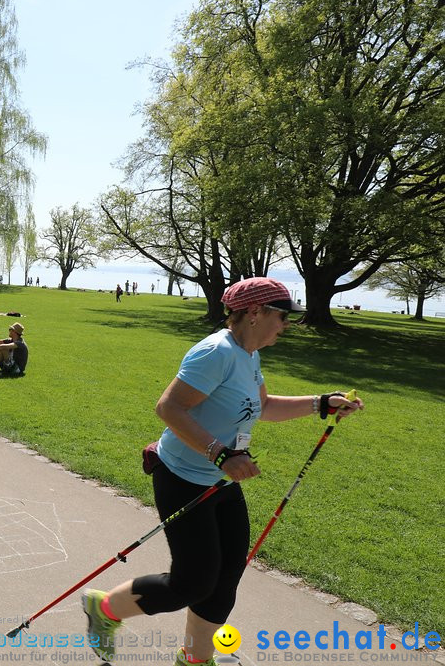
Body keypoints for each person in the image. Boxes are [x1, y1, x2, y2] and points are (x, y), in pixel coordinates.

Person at [81, 277, 364, 666]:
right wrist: (220, 454)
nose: (286, 325)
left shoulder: (248, 354)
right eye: (281, 316)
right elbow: (168, 408)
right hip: (183, 477)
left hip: (218, 480)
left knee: (226, 576)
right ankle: (104, 609)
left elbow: (263, 406)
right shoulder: (216, 352)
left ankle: (194, 660)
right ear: (254, 313)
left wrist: (319, 404)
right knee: (192, 583)